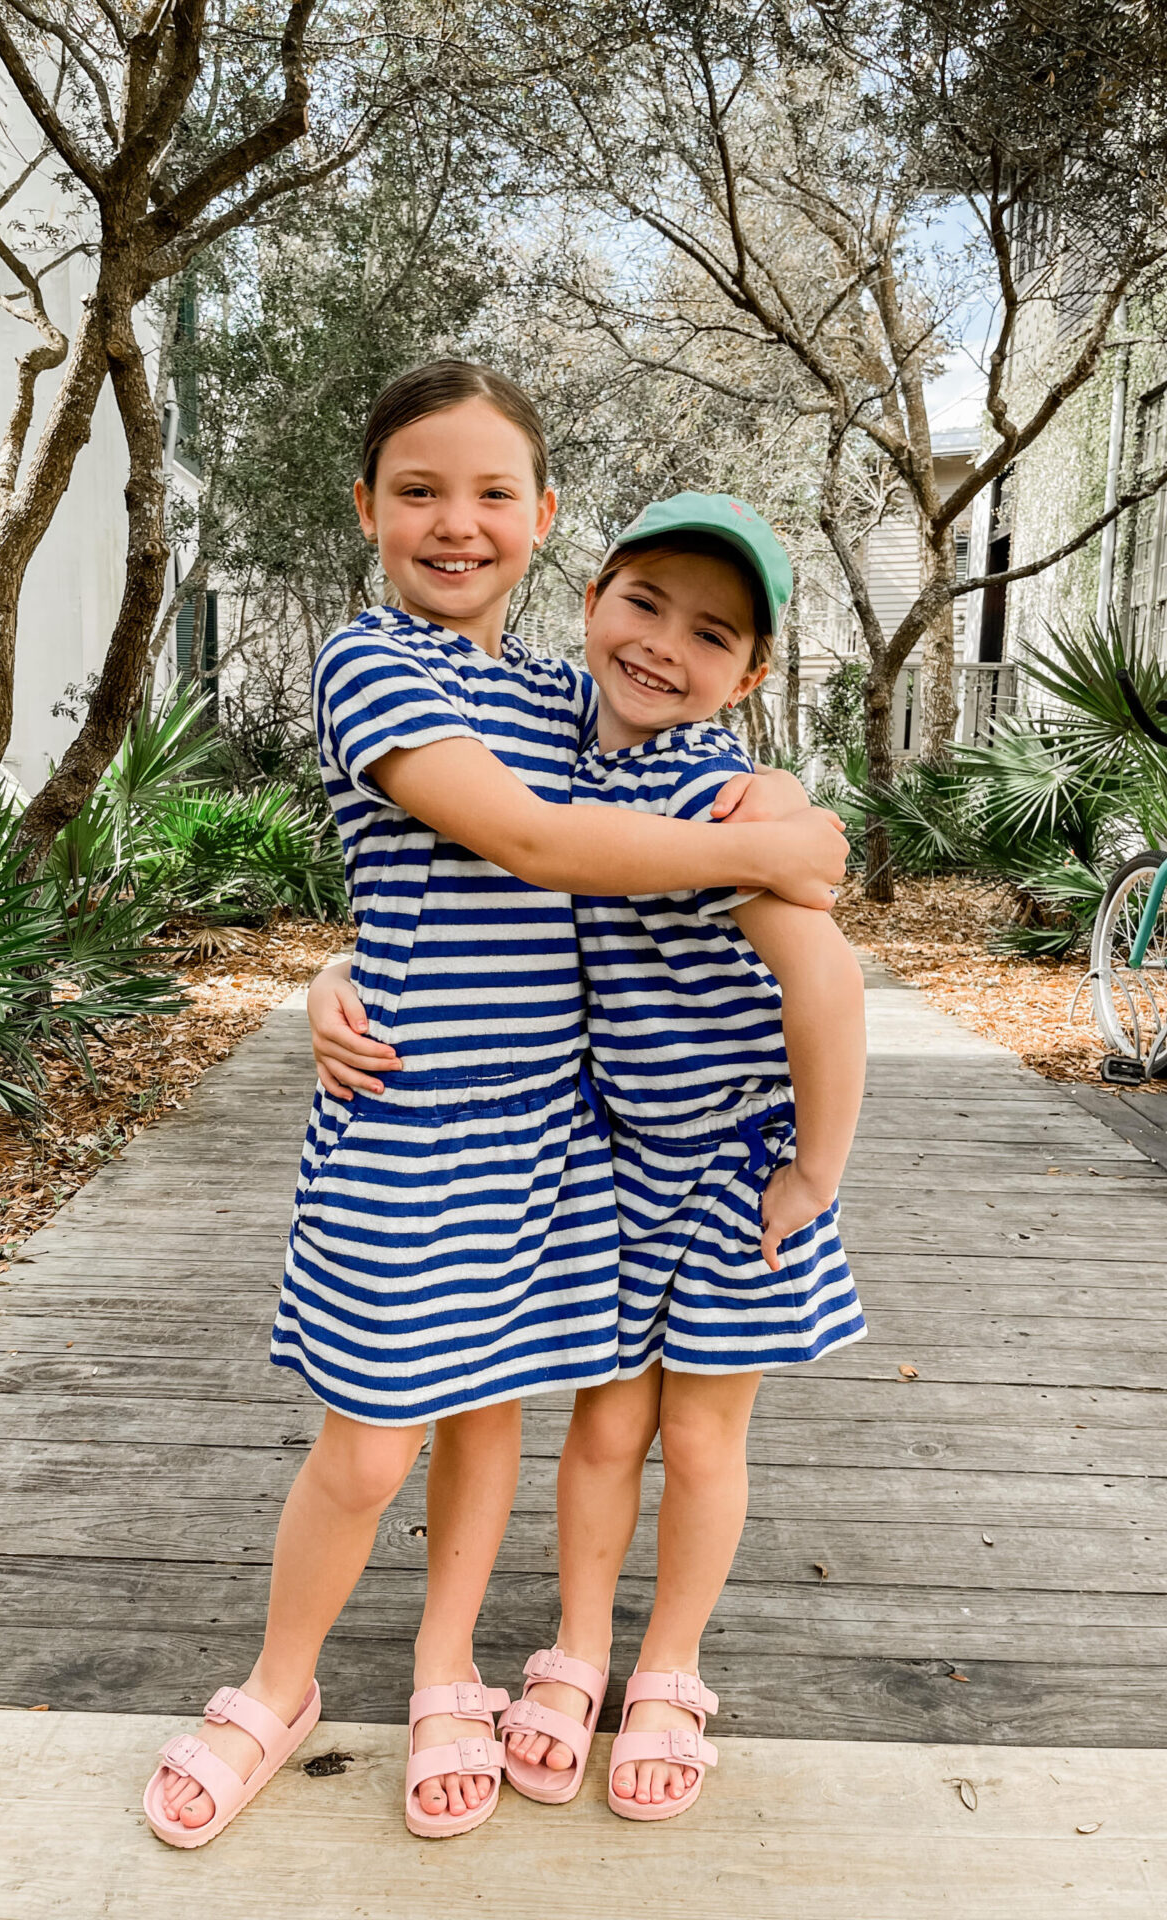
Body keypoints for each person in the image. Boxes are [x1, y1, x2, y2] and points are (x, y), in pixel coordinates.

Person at [143, 368, 849, 1848]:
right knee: (370, 1437)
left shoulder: (558, 688)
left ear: (544, 522)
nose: (453, 524)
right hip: (411, 1121)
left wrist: (800, 829)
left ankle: (446, 1668)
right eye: (417, 490)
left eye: (489, 495)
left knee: (489, 1412)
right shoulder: (370, 663)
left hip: (558, 1128)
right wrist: (774, 854)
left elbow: (731, 795)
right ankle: (278, 1687)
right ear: (367, 509)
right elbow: (529, 840)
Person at [494, 494, 868, 1822]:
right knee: (604, 1422)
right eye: (643, 603)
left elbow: (823, 981)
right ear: (591, 595)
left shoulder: (716, 799)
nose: (663, 644)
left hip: (727, 1167)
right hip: (605, 1154)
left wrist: (815, 1168)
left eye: (711, 633)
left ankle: (668, 1667)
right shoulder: (544, 750)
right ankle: (577, 1651)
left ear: (750, 676)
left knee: (701, 1434)